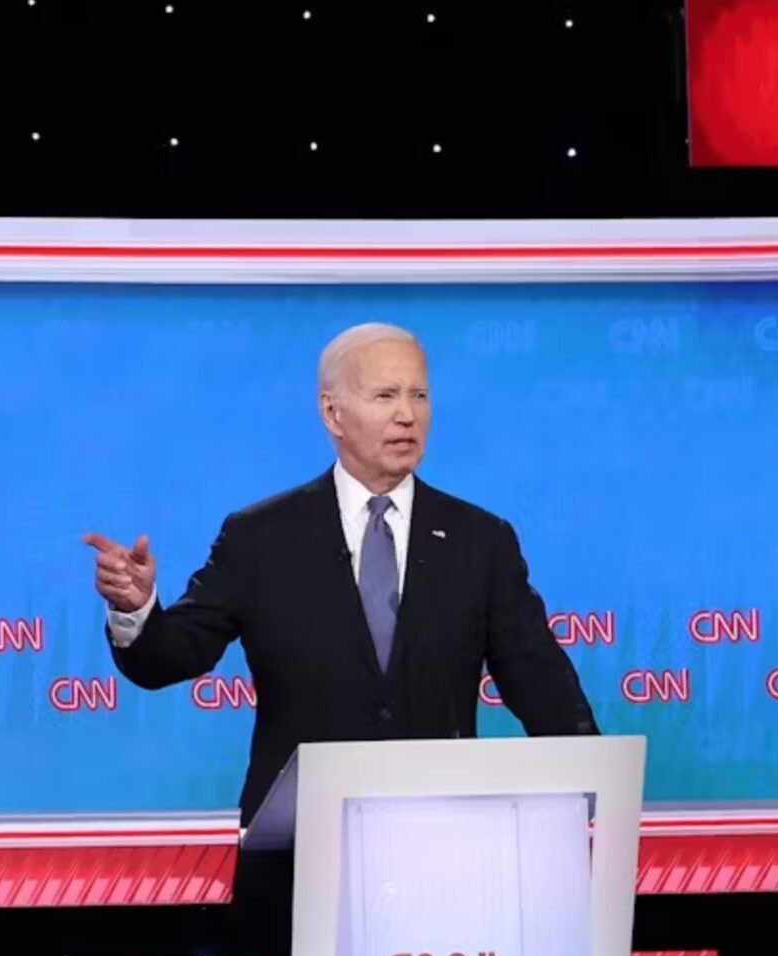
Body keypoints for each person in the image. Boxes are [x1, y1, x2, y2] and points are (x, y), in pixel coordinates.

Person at [84, 322, 597, 827]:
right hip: (298, 844)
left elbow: (538, 678)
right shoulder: (261, 537)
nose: (407, 415)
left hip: (440, 841)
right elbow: (170, 657)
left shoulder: (479, 539)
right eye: (385, 396)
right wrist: (135, 609)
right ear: (333, 412)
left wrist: (594, 778)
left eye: (419, 395)